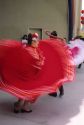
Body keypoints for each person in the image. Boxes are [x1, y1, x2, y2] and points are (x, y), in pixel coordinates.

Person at [14, 33, 45, 113]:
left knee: (24, 90)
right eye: (36, 41)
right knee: (29, 91)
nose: (38, 43)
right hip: (30, 75)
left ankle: (18, 106)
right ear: (33, 42)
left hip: (23, 74)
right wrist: (42, 61)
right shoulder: (32, 51)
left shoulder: (25, 48)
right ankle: (24, 106)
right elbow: (37, 63)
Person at [48, 31, 64, 97]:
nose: (49, 37)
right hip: (57, 63)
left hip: (55, 63)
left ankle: (54, 92)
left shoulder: (53, 42)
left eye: (51, 36)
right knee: (55, 78)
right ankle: (58, 91)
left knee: (53, 78)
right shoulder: (58, 42)